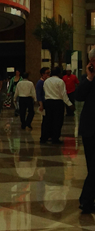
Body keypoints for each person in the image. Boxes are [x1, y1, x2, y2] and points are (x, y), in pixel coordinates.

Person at [75, 49, 95, 213]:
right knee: (93, 167)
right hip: (90, 130)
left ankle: (87, 201)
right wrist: (89, 77)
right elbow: (79, 96)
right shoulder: (87, 79)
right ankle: (86, 200)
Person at [42, 66, 73, 144]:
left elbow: (44, 91)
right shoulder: (60, 81)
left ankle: (45, 137)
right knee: (57, 121)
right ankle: (55, 138)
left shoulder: (46, 81)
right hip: (58, 103)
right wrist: (69, 104)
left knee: (48, 120)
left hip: (48, 102)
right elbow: (63, 94)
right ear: (59, 73)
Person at [36, 66, 51, 141]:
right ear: (42, 74)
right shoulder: (40, 83)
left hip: (48, 102)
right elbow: (38, 94)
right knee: (45, 121)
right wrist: (41, 105)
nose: (48, 75)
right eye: (47, 73)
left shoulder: (47, 82)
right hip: (44, 103)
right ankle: (44, 136)